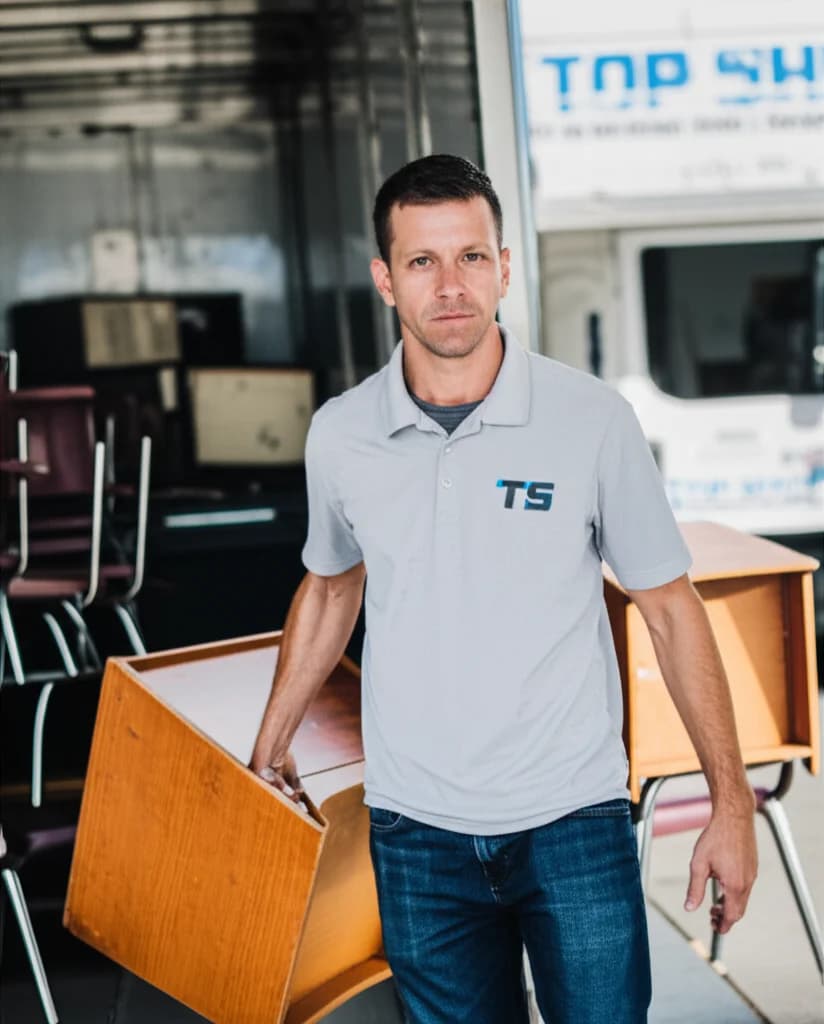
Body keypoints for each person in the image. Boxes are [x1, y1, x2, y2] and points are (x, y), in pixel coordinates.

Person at [250, 154, 757, 1024]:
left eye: (472, 257)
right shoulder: (341, 435)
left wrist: (731, 801)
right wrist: (272, 740)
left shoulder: (591, 420)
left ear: (505, 267)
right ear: (384, 279)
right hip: (416, 832)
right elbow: (331, 587)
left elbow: (671, 609)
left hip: (573, 821)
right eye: (422, 261)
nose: (451, 286)